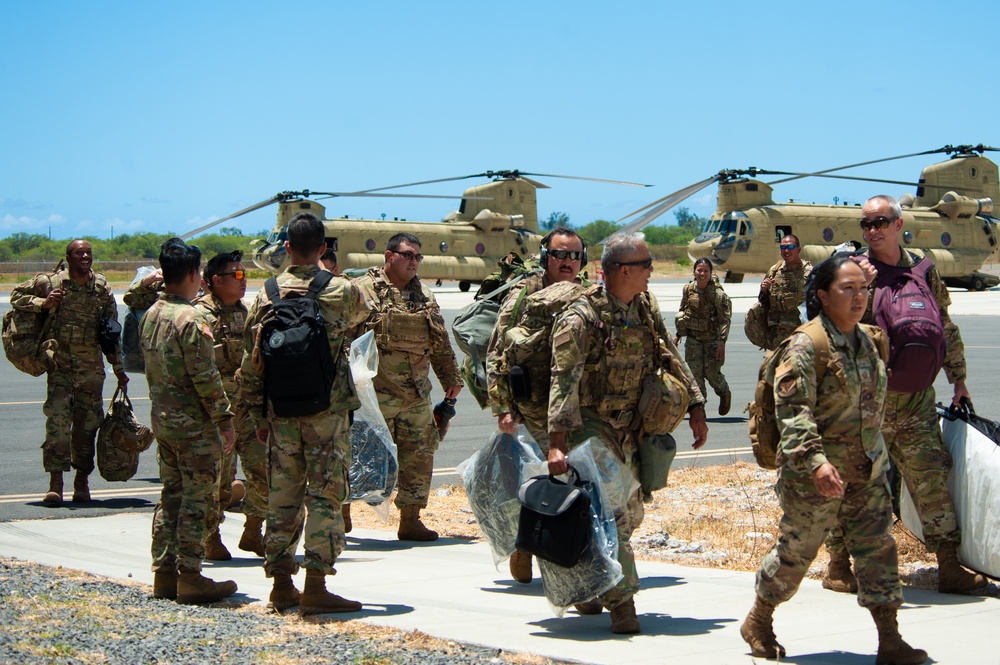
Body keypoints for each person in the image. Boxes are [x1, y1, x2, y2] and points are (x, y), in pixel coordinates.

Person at [741, 255, 927, 664]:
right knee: (795, 556)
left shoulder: (870, 340)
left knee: (878, 551)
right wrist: (815, 462)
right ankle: (759, 618)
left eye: (863, 288)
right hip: (815, 475)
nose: (859, 296)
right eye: (849, 288)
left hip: (866, 472)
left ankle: (890, 639)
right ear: (823, 296)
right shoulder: (807, 345)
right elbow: (793, 411)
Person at [822, 195, 987, 596]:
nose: (872, 230)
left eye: (880, 221)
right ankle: (839, 565)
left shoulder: (923, 270)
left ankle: (948, 566)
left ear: (898, 224)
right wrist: (861, 284)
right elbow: (833, 328)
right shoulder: (853, 272)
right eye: (866, 224)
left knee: (930, 478)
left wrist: (959, 379)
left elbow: (943, 324)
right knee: (854, 483)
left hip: (916, 399)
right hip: (867, 401)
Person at [546, 232, 708, 634]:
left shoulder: (644, 307)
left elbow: (668, 351)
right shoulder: (581, 317)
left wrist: (696, 404)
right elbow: (563, 380)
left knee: (629, 513)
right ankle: (623, 603)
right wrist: (556, 445)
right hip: (592, 429)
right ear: (622, 270)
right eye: (646, 264)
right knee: (616, 515)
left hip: (633, 428)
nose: (652, 270)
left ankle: (588, 584)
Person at [241, 212, 369, 614]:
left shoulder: (266, 293)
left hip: (280, 410)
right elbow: (363, 317)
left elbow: (253, 357)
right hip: (326, 413)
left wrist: (257, 416)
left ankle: (280, 583)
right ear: (323, 249)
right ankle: (315, 584)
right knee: (326, 496)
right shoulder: (341, 291)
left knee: (283, 495)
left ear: (287, 248)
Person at [486, 227, 588, 584]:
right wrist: (502, 406)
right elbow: (497, 351)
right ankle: (526, 548)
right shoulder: (524, 292)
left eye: (574, 255)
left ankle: (560, 553)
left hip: (571, 402)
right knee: (539, 480)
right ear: (546, 256)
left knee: (572, 479)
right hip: (530, 406)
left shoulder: (586, 292)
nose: (567, 262)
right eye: (560, 254)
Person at [141, 238, 238, 604]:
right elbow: (206, 378)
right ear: (195, 275)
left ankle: (164, 575)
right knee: (198, 499)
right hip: (194, 427)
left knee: (171, 497)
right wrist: (225, 420)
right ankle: (192, 576)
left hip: (163, 420)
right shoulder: (191, 318)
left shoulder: (153, 314)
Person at [350, 232, 463, 542]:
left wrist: (451, 378)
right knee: (362, 457)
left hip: (415, 396)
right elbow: (340, 341)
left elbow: (439, 341)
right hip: (374, 395)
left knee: (420, 455)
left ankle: (410, 519)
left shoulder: (425, 296)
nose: (414, 261)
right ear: (389, 257)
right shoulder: (361, 292)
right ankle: (342, 513)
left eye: (418, 257)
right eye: (407, 255)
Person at [10, 239, 128, 504]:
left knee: (87, 428)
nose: (85, 256)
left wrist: (118, 368)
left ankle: (81, 481)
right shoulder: (50, 283)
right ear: (68, 257)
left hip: (91, 370)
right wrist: (43, 302)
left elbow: (111, 332)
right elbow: (16, 296)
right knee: (58, 425)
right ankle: (55, 483)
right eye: (79, 253)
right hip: (60, 367)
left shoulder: (101, 288)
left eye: (88, 253)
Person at [195, 251, 267, 561]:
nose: (244, 280)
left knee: (264, 473)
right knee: (218, 483)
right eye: (236, 276)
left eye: (244, 274)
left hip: (247, 412)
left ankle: (253, 532)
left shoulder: (248, 314)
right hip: (215, 415)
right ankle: (211, 538)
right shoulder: (198, 316)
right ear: (215, 282)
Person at [674, 258, 732, 416]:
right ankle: (700, 409)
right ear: (694, 272)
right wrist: (678, 335)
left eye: (706, 271)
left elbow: (725, 320)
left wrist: (721, 343)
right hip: (693, 339)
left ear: (710, 273)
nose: (702, 273)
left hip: (712, 340)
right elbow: (683, 311)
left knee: (712, 374)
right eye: (699, 270)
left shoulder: (718, 295)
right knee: (695, 374)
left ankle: (724, 392)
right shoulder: (688, 290)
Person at [758, 234, 812, 350]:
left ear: (798, 249)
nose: (786, 251)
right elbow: (763, 302)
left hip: (801, 334)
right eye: (783, 247)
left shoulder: (809, 272)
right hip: (777, 335)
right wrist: (764, 290)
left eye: (790, 247)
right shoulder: (774, 271)